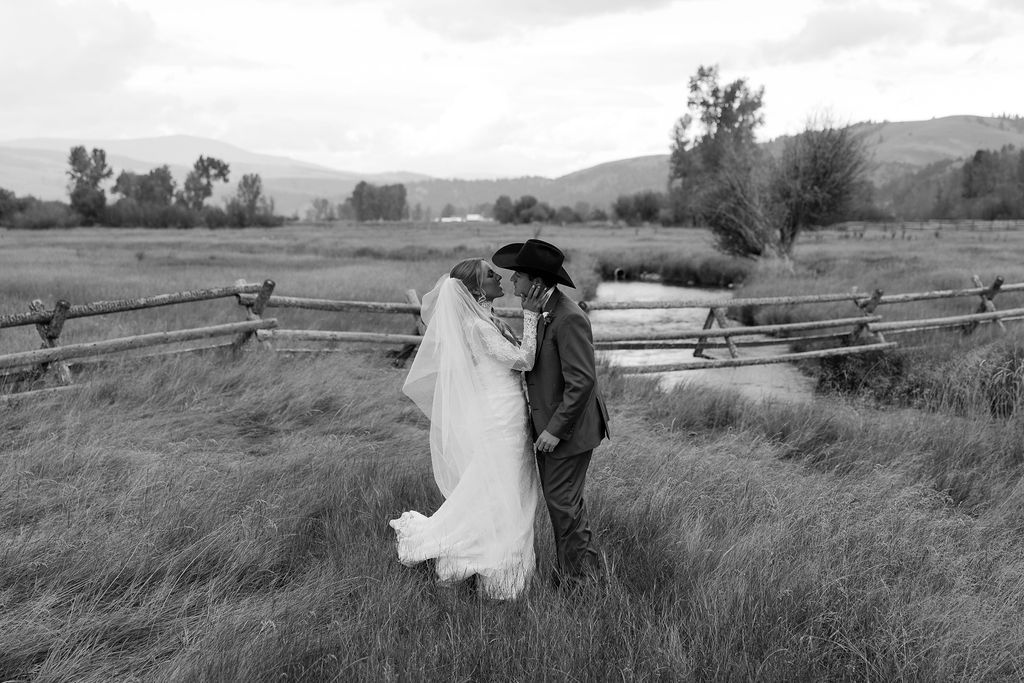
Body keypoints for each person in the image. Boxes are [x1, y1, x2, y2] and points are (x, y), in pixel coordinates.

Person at [389, 258, 545, 600]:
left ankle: (504, 566)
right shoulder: (477, 326)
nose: (500, 277)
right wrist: (531, 315)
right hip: (500, 415)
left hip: (510, 411)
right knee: (499, 488)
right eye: (491, 274)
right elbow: (524, 361)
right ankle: (479, 566)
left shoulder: (486, 319)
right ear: (475, 288)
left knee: (510, 486)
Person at [492, 239, 610, 588]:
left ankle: (584, 584)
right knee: (563, 507)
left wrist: (555, 429)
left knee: (564, 506)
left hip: (569, 431)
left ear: (536, 283)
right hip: (549, 427)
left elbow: (583, 382)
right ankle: (572, 577)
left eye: (518, 276)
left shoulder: (569, 317)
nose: (512, 282)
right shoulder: (544, 312)